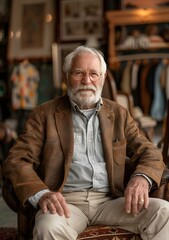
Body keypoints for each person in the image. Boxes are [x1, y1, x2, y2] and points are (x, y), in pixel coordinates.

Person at [2, 46, 169, 240]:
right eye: (79, 73)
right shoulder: (43, 115)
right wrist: (42, 194)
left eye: (93, 74)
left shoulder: (118, 113)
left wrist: (141, 177)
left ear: (103, 78)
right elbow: (16, 160)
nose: (86, 81)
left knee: (164, 213)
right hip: (65, 203)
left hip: (111, 200)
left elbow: (149, 151)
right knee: (47, 227)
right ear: (66, 77)